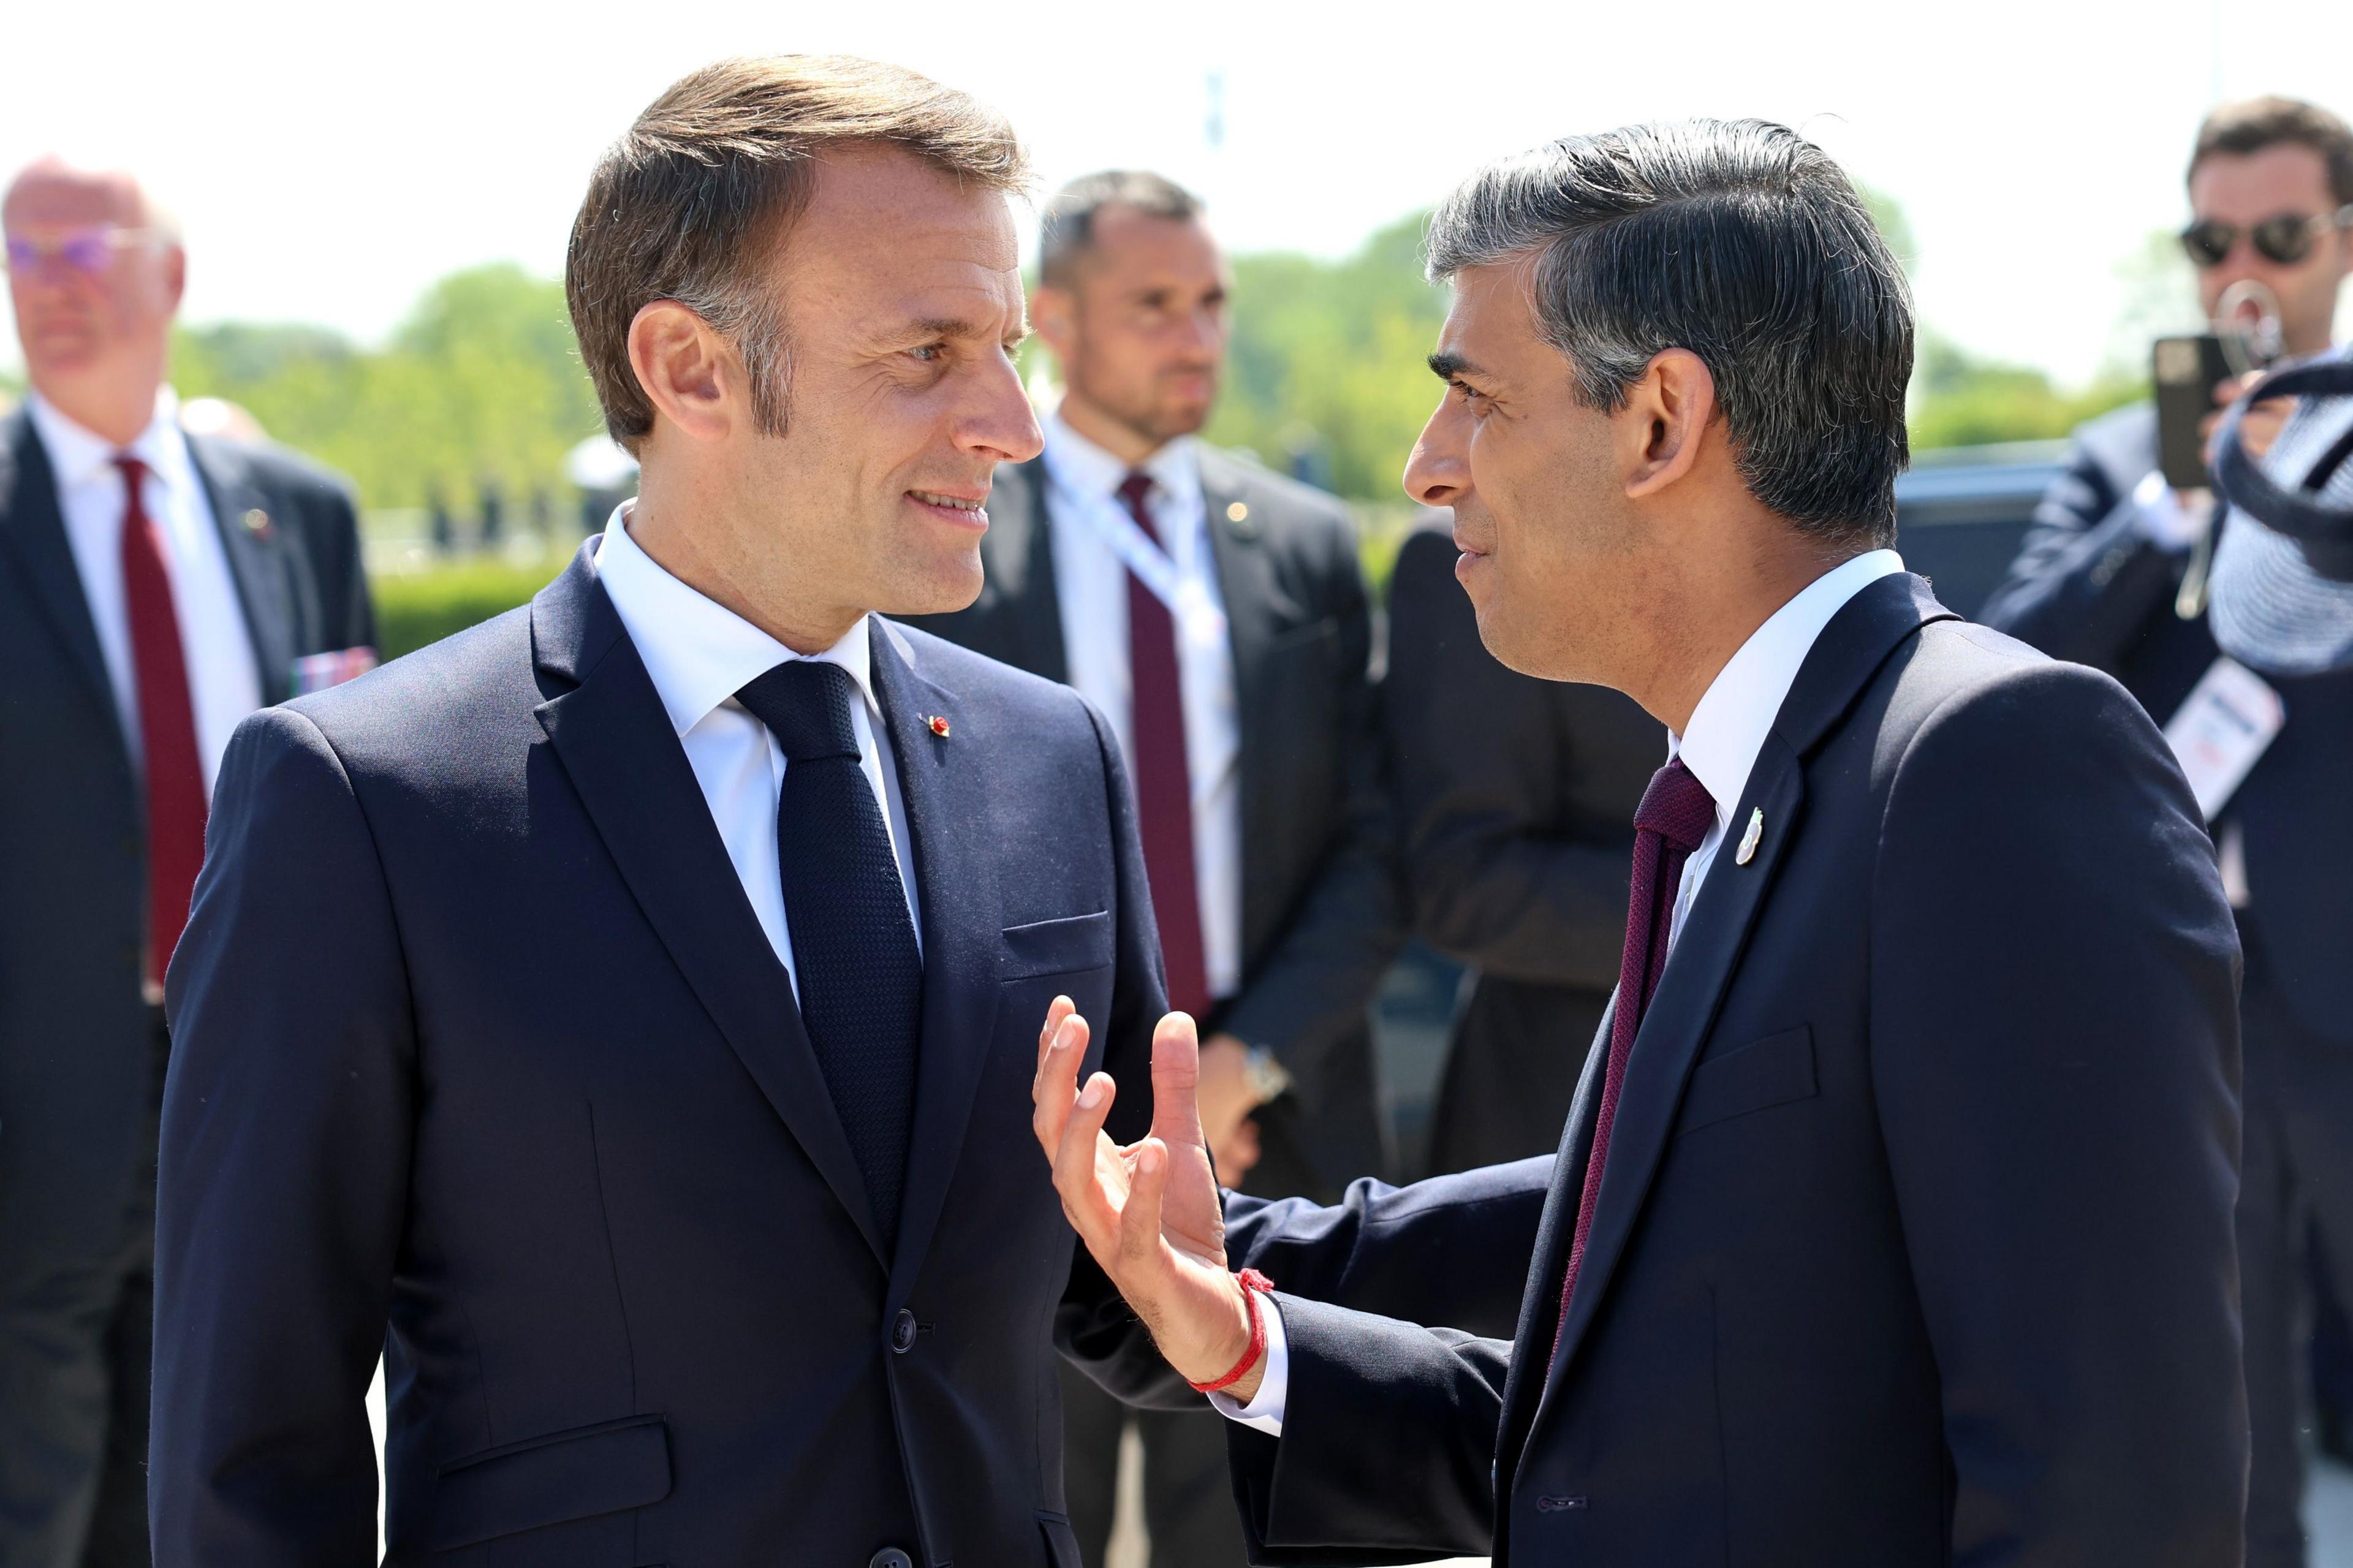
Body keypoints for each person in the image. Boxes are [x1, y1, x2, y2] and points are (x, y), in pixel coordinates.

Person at [1036, 118, 2246, 1565]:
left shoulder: (1988, 766)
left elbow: (2107, 1499)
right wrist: (1237, 1315)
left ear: (1660, 419)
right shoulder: (1747, 791)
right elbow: (1650, 1422)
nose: (1427, 468)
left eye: (1474, 398)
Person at [150, 56, 1167, 1566]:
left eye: (1007, 344)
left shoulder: (1052, 754)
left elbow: (1139, 1267)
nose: (1014, 419)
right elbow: (253, 1456)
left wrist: (1595, 1226)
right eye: (930, 351)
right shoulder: (360, 803)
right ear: (690, 368)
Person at [905, 169, 1401, 1568]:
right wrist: (1107, 1099)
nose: (1195, 336)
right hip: (1033, 1127)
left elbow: (1374, 841)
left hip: (1281, 1119)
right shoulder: (953, 537)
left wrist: (1241, 1069)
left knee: (1265, 1529)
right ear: (1049, 317)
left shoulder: (1298, 545)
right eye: (1151, 305)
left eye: (1211, 303)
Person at [1981, 95, 2353, 1568]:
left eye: (2275, 235)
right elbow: (2009, 657)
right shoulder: (2113, 461)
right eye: (2209, 239)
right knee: (2223, 1398)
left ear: (2339, 240)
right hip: (2179, 989)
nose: (2238, 271)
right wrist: (2169, 496)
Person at [0, 157, 374, 1567]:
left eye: (84, 247)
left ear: (172, 274)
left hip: (260, 1073)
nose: (48, 283)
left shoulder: (299, 508)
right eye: (21, 256)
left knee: (228, 1475)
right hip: (37, 1114)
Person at [1382, 521, 1662, 1174]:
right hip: (1568, 1125)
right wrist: (1727, 897)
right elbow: (1467, 883)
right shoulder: (1477, 554)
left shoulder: (1781, 523)